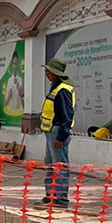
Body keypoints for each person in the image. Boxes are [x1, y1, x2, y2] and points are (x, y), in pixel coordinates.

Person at [38, 58, 75, 208]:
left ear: (56, 73)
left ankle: (61, 198)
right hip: (50, 132)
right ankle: (51, 194)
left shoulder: (63, 90)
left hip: (58, 132)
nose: (46, 73)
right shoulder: (55, 87)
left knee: (60, 166)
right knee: (50, 165)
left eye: (48, 71)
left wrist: (62, 136)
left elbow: (67, 114)